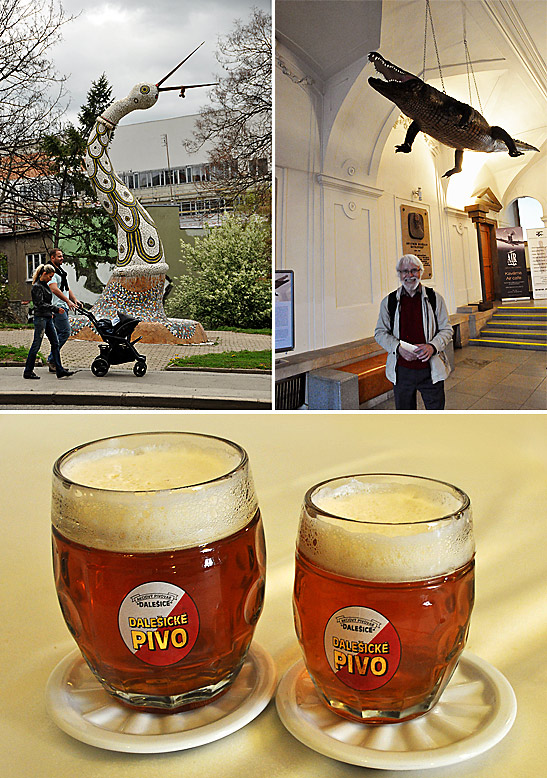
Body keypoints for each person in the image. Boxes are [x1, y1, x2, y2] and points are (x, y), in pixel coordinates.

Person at [374, 254, 453, 410]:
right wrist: (397, 348)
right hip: (402, 371)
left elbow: (446, 329)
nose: (409, 275)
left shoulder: (435, 298)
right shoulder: (389, 302)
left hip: (430, 370)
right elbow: (380, 333)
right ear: (399, 274)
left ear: (421, 272)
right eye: (404, 271)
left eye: (413, 271)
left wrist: (432, 346)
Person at [23, 264, 74, 380]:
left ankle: (59, 369)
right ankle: (28, 371)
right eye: (50, 276)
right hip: (40, 318)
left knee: (55, 343)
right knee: (36, 344)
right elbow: (40, 304)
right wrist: (55, 309)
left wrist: (51, 312)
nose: (51, 279)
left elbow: (46, 303)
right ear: (44, 274)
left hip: (47, 317)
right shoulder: (37, 286)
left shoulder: (45, 285)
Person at [46, 247, 80, 372]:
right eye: (59, 256)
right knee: (65, 332)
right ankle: (52, 359)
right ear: (52, 258)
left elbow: (66, 288)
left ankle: (54, 361)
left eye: (62, 256)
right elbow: (54, 289)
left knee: (59, 334)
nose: (62, 258)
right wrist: (67, 301)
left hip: (63, 306)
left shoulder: (60, 271)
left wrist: (74, 299)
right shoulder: (51, 272)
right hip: (57, 307)